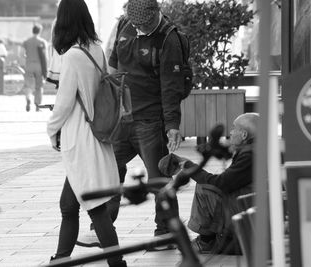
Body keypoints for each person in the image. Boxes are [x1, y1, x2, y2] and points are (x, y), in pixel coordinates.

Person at [46, 0, 126, 266]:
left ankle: (117, 263)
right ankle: (60, 259)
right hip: (98, 135)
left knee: (96, 207)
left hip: (80, 139)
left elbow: (64, 101)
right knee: (70, 205)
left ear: (63, 21)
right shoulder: (95, 49)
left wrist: (51, 128)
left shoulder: (71, 56)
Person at [107, 0, 185, 246]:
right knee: (109, 169)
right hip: (122, 119)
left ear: (156, 14)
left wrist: (172, 125)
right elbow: (111, 66)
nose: (139, 28)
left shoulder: (168, 38)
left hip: (150, 120)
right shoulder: (123, 25)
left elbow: (171, 86)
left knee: (158, 178)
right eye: (135, 24)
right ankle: (102, 226)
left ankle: (166, 231)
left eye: (144, 25)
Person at [159, 112, 259, 254]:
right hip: (251, 203)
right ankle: (212, 239)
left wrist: (188, 166)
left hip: (249, 206)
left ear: (244, 135)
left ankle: (206, 241)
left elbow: (221, 183)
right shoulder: (255, 149)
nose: (230, 132)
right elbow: (229, 181)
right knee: (207, 184)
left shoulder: (250, 154)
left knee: (205, 188)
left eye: (233, 128)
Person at [22, 24, 47, 112]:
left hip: (28, 65)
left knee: (28, 85)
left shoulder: (26, 41)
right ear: (39, 31)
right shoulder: (42, 42)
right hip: (39, 66)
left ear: (32, 31)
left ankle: (28, 98)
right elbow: (45, 57)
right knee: (39, 86)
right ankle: (37, 105)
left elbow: (22, 54)